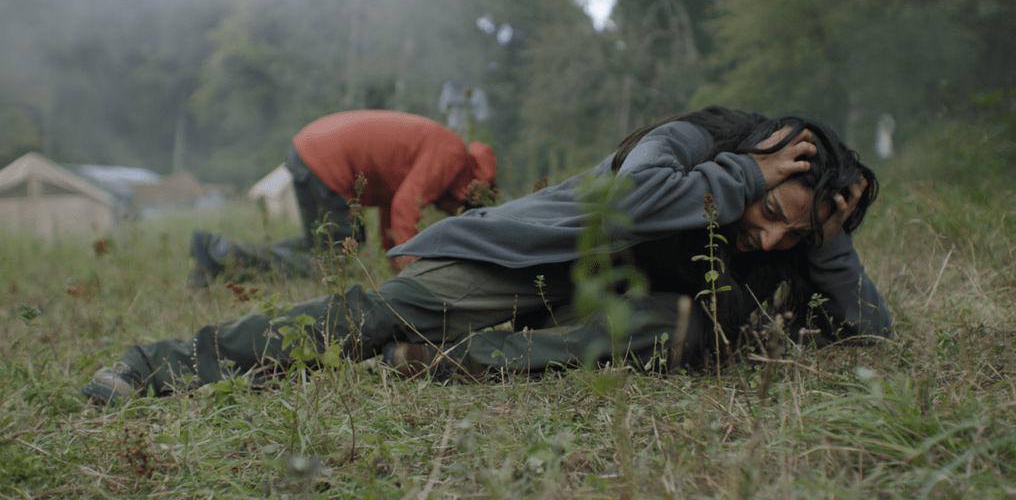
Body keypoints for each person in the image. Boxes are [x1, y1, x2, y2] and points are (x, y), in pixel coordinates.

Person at [83, 107, 890, 406]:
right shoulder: (688, 146)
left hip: (584, 316)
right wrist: (743, 175)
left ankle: (460, 362)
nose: (772, 239)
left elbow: (867, 338)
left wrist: (829, 240)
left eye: (797, 236)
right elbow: (633, 204)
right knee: (364, 321)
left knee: (699, 322)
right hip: (521, 263)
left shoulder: (784, 241)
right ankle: (155, 365)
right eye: (776, 213)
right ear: (762, 159)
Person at [188, 110, 498, 286]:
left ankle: (219, 255)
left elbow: (392, 222)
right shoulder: (451, 156)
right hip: (326, 159)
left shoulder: (443, 154)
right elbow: (407, 209)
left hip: (310, 149)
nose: (447, 212)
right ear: (467, 196)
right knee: (336, 261)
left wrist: (397, 262)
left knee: (324, 245)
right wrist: (416, 275)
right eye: (458, 210)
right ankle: (221, 253)